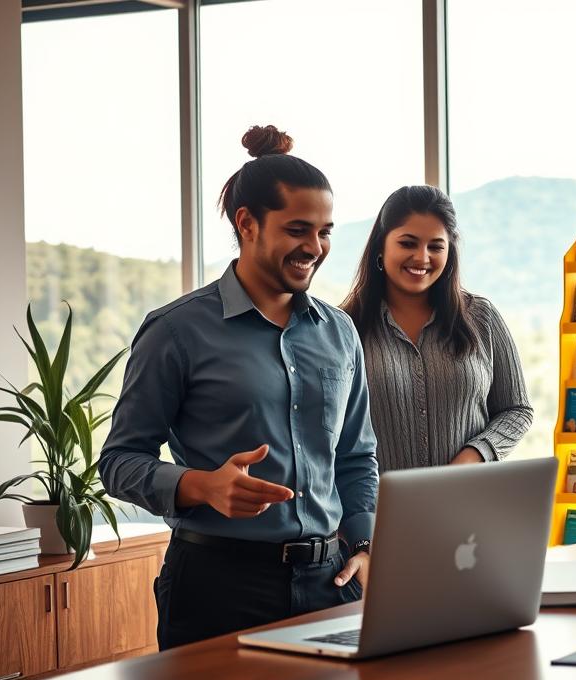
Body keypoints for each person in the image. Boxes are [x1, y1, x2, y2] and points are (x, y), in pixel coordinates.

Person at [99, 126, 378, 650]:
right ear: (247, 223)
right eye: (298, 229)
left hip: (331, 584)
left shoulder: (340, 332)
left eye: (325, 231)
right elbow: (119, 461)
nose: (315, 248)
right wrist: (201, 486)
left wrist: (363, 543)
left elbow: (356, 457)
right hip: (216, 586)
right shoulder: (176, 331)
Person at [340, 185, 532, 471]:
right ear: (381, 246)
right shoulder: (345, 327)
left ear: (449, 251)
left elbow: (516, 410)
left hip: (466, 503)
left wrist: (475, 454)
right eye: (408, 243)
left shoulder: (482, 317)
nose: (422, 257)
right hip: (379, 510)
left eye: (435, 246)